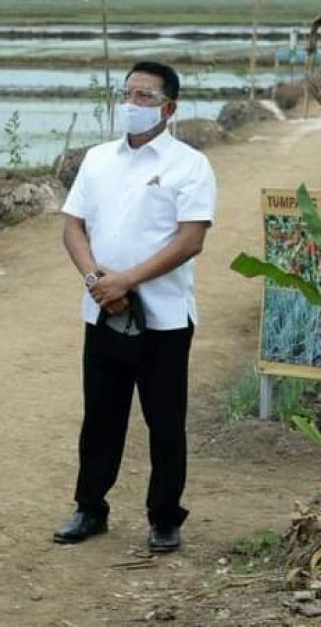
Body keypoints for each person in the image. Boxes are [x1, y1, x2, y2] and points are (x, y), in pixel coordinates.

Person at [53, 61, 216, 553]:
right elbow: (73, 226)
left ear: (169, 107)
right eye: (127, 94)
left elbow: (190, 240)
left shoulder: (190, 165)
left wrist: (127, 279)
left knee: (164, 420)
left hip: (162, 317)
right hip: (103, 310)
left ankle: (165, 516)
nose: (132, 105)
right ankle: (90, 507)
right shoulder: (99, 159)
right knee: (100, 415)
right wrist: (96, 280)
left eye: (144, 97)